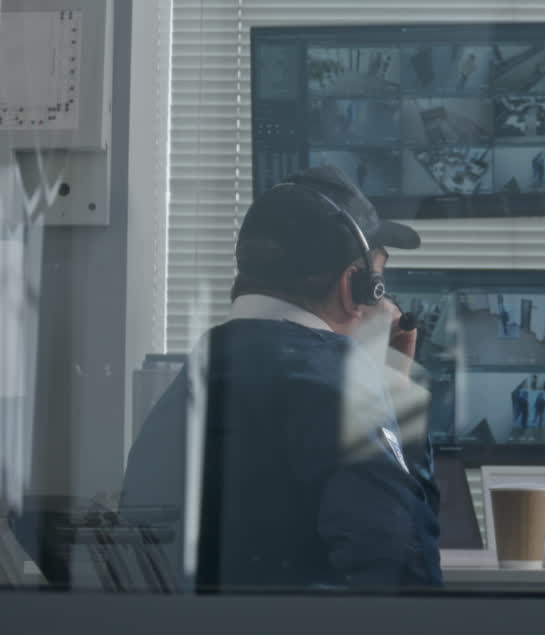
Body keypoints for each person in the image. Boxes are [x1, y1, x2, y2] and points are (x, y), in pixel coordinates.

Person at [121, 165, 443, 591]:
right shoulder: (337, 384)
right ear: (356, 287)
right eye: (379, 279)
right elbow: (409, 579)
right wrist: (398, 401)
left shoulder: (198, 376)